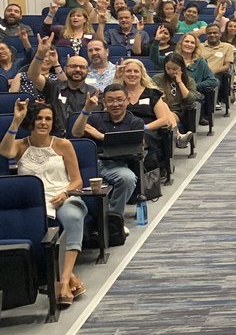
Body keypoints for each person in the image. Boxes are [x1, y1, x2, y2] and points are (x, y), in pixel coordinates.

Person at [1, 100, 88, 307]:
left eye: (48, 119)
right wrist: (16, 121)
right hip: (35, 203)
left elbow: (77, 180)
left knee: (73, 218)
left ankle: (65, 281)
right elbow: (5, 151)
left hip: (64, 196)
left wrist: (65, 193)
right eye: (39, 118)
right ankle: (71, 277)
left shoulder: (63, 145)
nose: (43, 122)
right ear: (32, 121)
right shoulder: (21, 145)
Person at [70, 83, 143, 220]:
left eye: (119, 100)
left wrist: (100, 136)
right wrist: (86, 109)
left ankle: (113, 218)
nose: (115, 104)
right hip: (91, 163)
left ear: (127, 100)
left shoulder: (135, 122)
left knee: (128, 178)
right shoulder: (95, 118)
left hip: (116, 165)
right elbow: (76, 133)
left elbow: (131, 147)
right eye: (110, 100)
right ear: (104, 102)